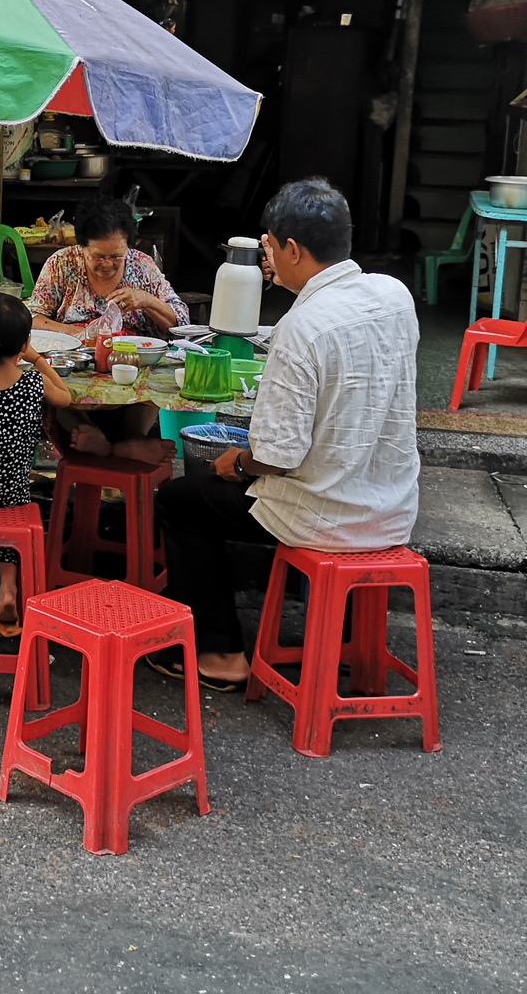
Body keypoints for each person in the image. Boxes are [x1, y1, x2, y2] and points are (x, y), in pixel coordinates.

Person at [150, 177, 419, 691]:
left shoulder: (303, 325)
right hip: (392, 505)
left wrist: (238, 463)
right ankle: (340, 646)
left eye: (270, 246)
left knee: (180, 499)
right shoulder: (395, 295)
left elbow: (278, 454)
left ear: (293, 249)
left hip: (325, 515)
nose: (268, 258)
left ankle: (220, 654)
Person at [25, 196, 187, 463]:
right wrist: (78, 333)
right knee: (45, 383)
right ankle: (94, 436)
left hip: (132, 380)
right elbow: (33, 317)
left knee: (156, 380)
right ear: (82, 248)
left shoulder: (143, 267)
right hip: (75, 375)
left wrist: (145, 300)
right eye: (98, 256)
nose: (108, 264)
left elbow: (180, 324)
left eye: (116, 257)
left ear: (129, 248)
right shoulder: (61, 264)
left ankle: (128, 439)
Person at [0, 292, 73, 634]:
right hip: (14, 489)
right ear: (24, 342)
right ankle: (8, 587)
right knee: (9, 501)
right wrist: (36, 358)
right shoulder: (31, 383)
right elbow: (66, 396)